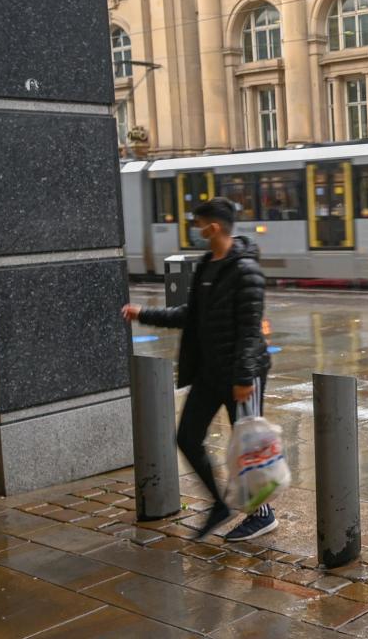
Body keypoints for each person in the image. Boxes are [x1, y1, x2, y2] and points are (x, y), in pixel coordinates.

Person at [121, 197, 278, 542]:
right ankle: (220, 506)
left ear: (214, 226)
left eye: (199, 223)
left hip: (240, 375)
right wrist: (143, 313)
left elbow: (251, 330)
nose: (196, 229)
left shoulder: (245, 270)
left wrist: (242, 379)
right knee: (187, 437)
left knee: (247, 447)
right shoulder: (208, 264)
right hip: (209, 372)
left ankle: (263, 514)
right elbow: (189, 316)